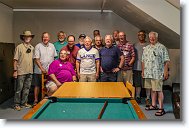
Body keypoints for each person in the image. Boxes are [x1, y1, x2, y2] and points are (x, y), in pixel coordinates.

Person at [142, 31, 170, 116]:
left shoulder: (162, 47)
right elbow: (143, 60)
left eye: (153, 37)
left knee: (159, 90)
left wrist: (166, 72)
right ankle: (154, 105)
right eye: (150, 37)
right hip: (148, 73)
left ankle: (161, 108)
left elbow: (166, 61)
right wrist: (143, 71)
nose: (152, 38)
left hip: (158, 73)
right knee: (152, 89)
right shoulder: (146, 48)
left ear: (157, 38)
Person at [33, 32, 57, 106]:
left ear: (49, 38)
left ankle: (47, 98)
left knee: (49, 85)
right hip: (39, 71)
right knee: (37, 85)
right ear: (42, 38)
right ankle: (36, 100)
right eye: (44, 37)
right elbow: (36, 59)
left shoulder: (52, 46)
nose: (45, 38)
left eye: (46, 37)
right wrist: (42, 68)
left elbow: (55, 57)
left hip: (50, 72)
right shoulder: (38, 46)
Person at [13, 30, 35, 110]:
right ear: (23, 37)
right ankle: (16, 104)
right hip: (21, 72)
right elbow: (15, 60)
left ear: (31, 38)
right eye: (26, 36)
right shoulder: (19, 47)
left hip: (29, 71)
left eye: (29, 36)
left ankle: (24, 103)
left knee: (27, 88)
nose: (27, 38)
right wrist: (15, 71)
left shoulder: (32, 48)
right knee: (19, 89)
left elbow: (34, 60)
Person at [133, 30, 150, 105]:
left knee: (147, 84)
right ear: (138, 36)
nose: (141, 36)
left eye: (143, 35)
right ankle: (137, 97)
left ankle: (148, 98)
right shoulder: (135, 45)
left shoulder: (149, 45)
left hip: (147, 68)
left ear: (145, 36)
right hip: (136, 67)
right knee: (137, 84)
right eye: (139, 35)